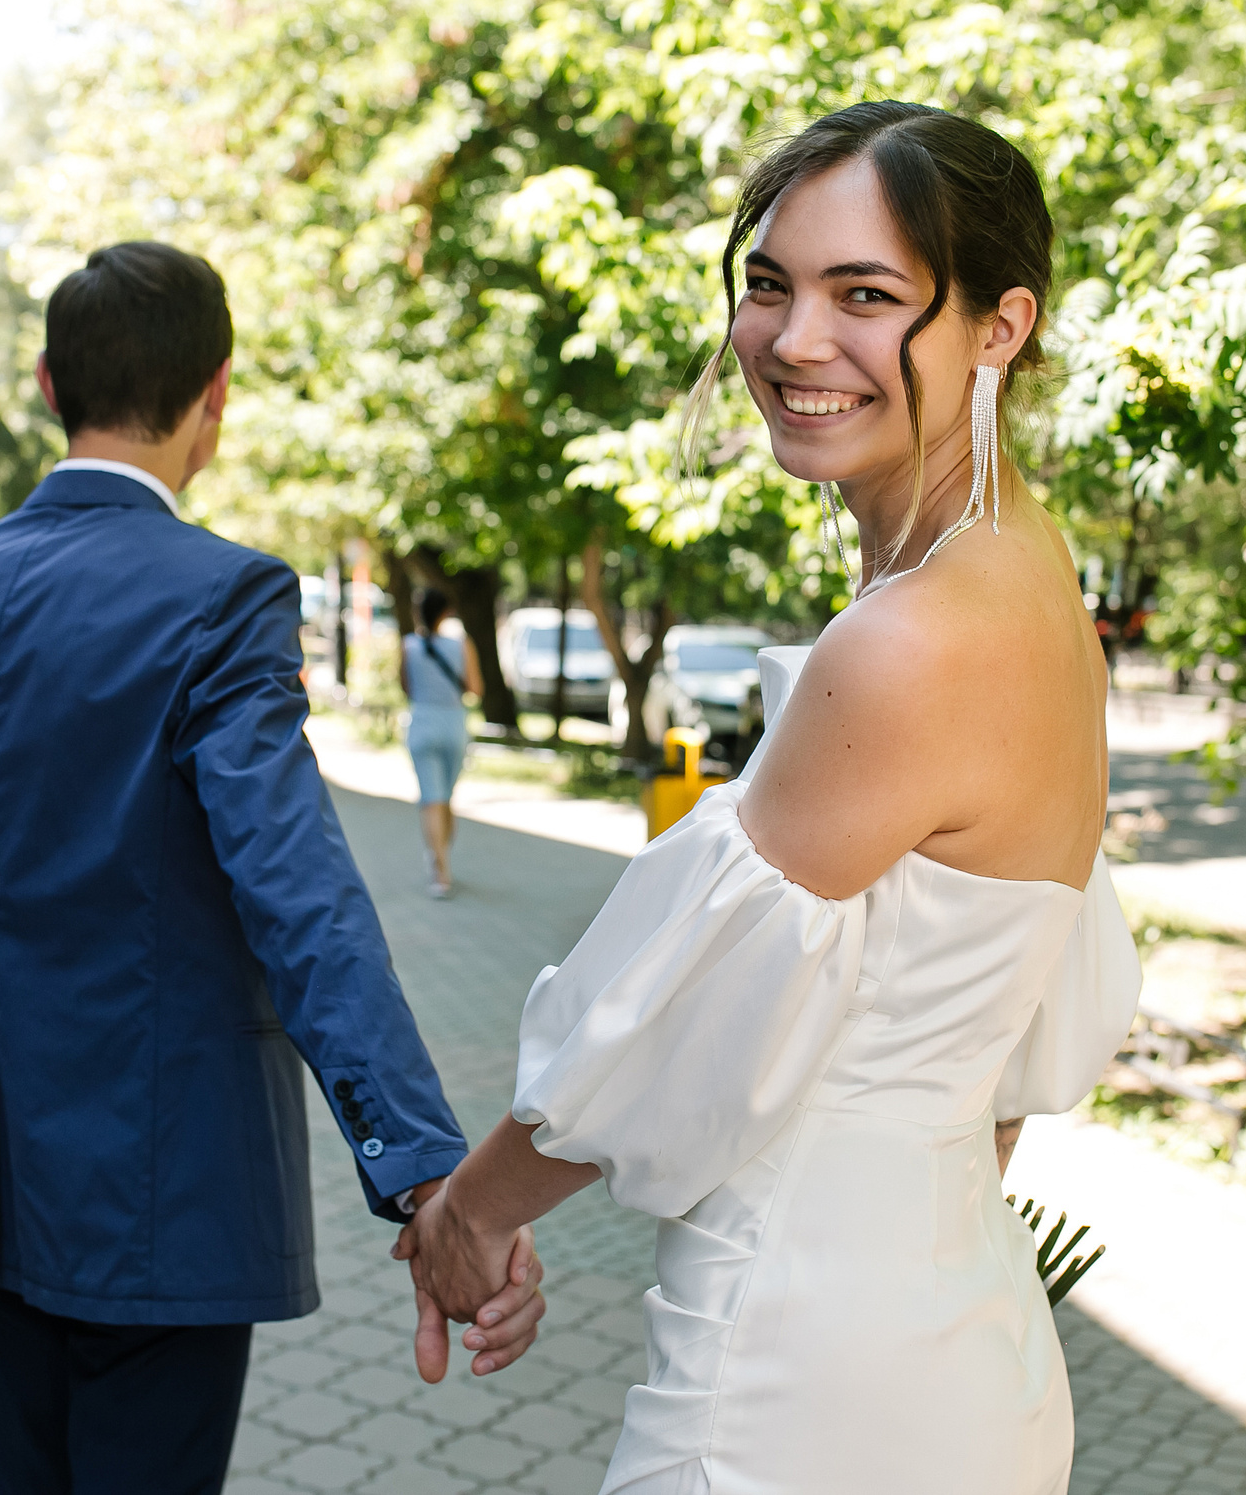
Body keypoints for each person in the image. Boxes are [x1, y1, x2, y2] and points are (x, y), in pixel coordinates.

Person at [394, 105, 1144, 1488]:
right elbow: (1009, 1044)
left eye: (866, 295)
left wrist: (469, 1218)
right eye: (769, 283)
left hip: (799, 1368)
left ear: (1000, 327)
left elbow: (669, 1017)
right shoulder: (1030, 583)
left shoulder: (914, 639)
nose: (796, 339)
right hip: (956, 1332)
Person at [0, 241, 547, 1495]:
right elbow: (301, 900)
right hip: (158, 1192)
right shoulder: (219, 599)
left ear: (47, 383)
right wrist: (425, 1171)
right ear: (214, 395)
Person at [398, 587, 480, 898]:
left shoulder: (408, 645)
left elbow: (406, 687)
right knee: (445, 798)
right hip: (453, 725)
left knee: (431, 799)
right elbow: (475, 688)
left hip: (421, 724)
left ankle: (439, 871)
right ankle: (442, 858)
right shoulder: (462, 644)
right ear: (446, 613)